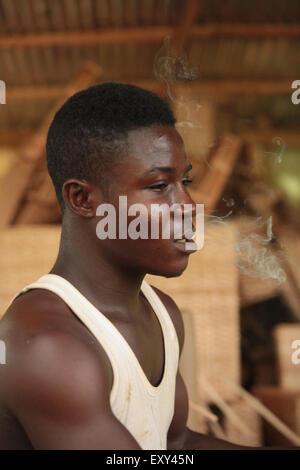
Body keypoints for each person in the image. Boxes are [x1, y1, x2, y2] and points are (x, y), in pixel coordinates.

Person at [0, 83, 297, 450]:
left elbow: (174, 443)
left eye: (183, 181)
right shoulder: (47, 347)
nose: (188, 206)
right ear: (82, 199)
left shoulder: (162, 315)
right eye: (159, 186)